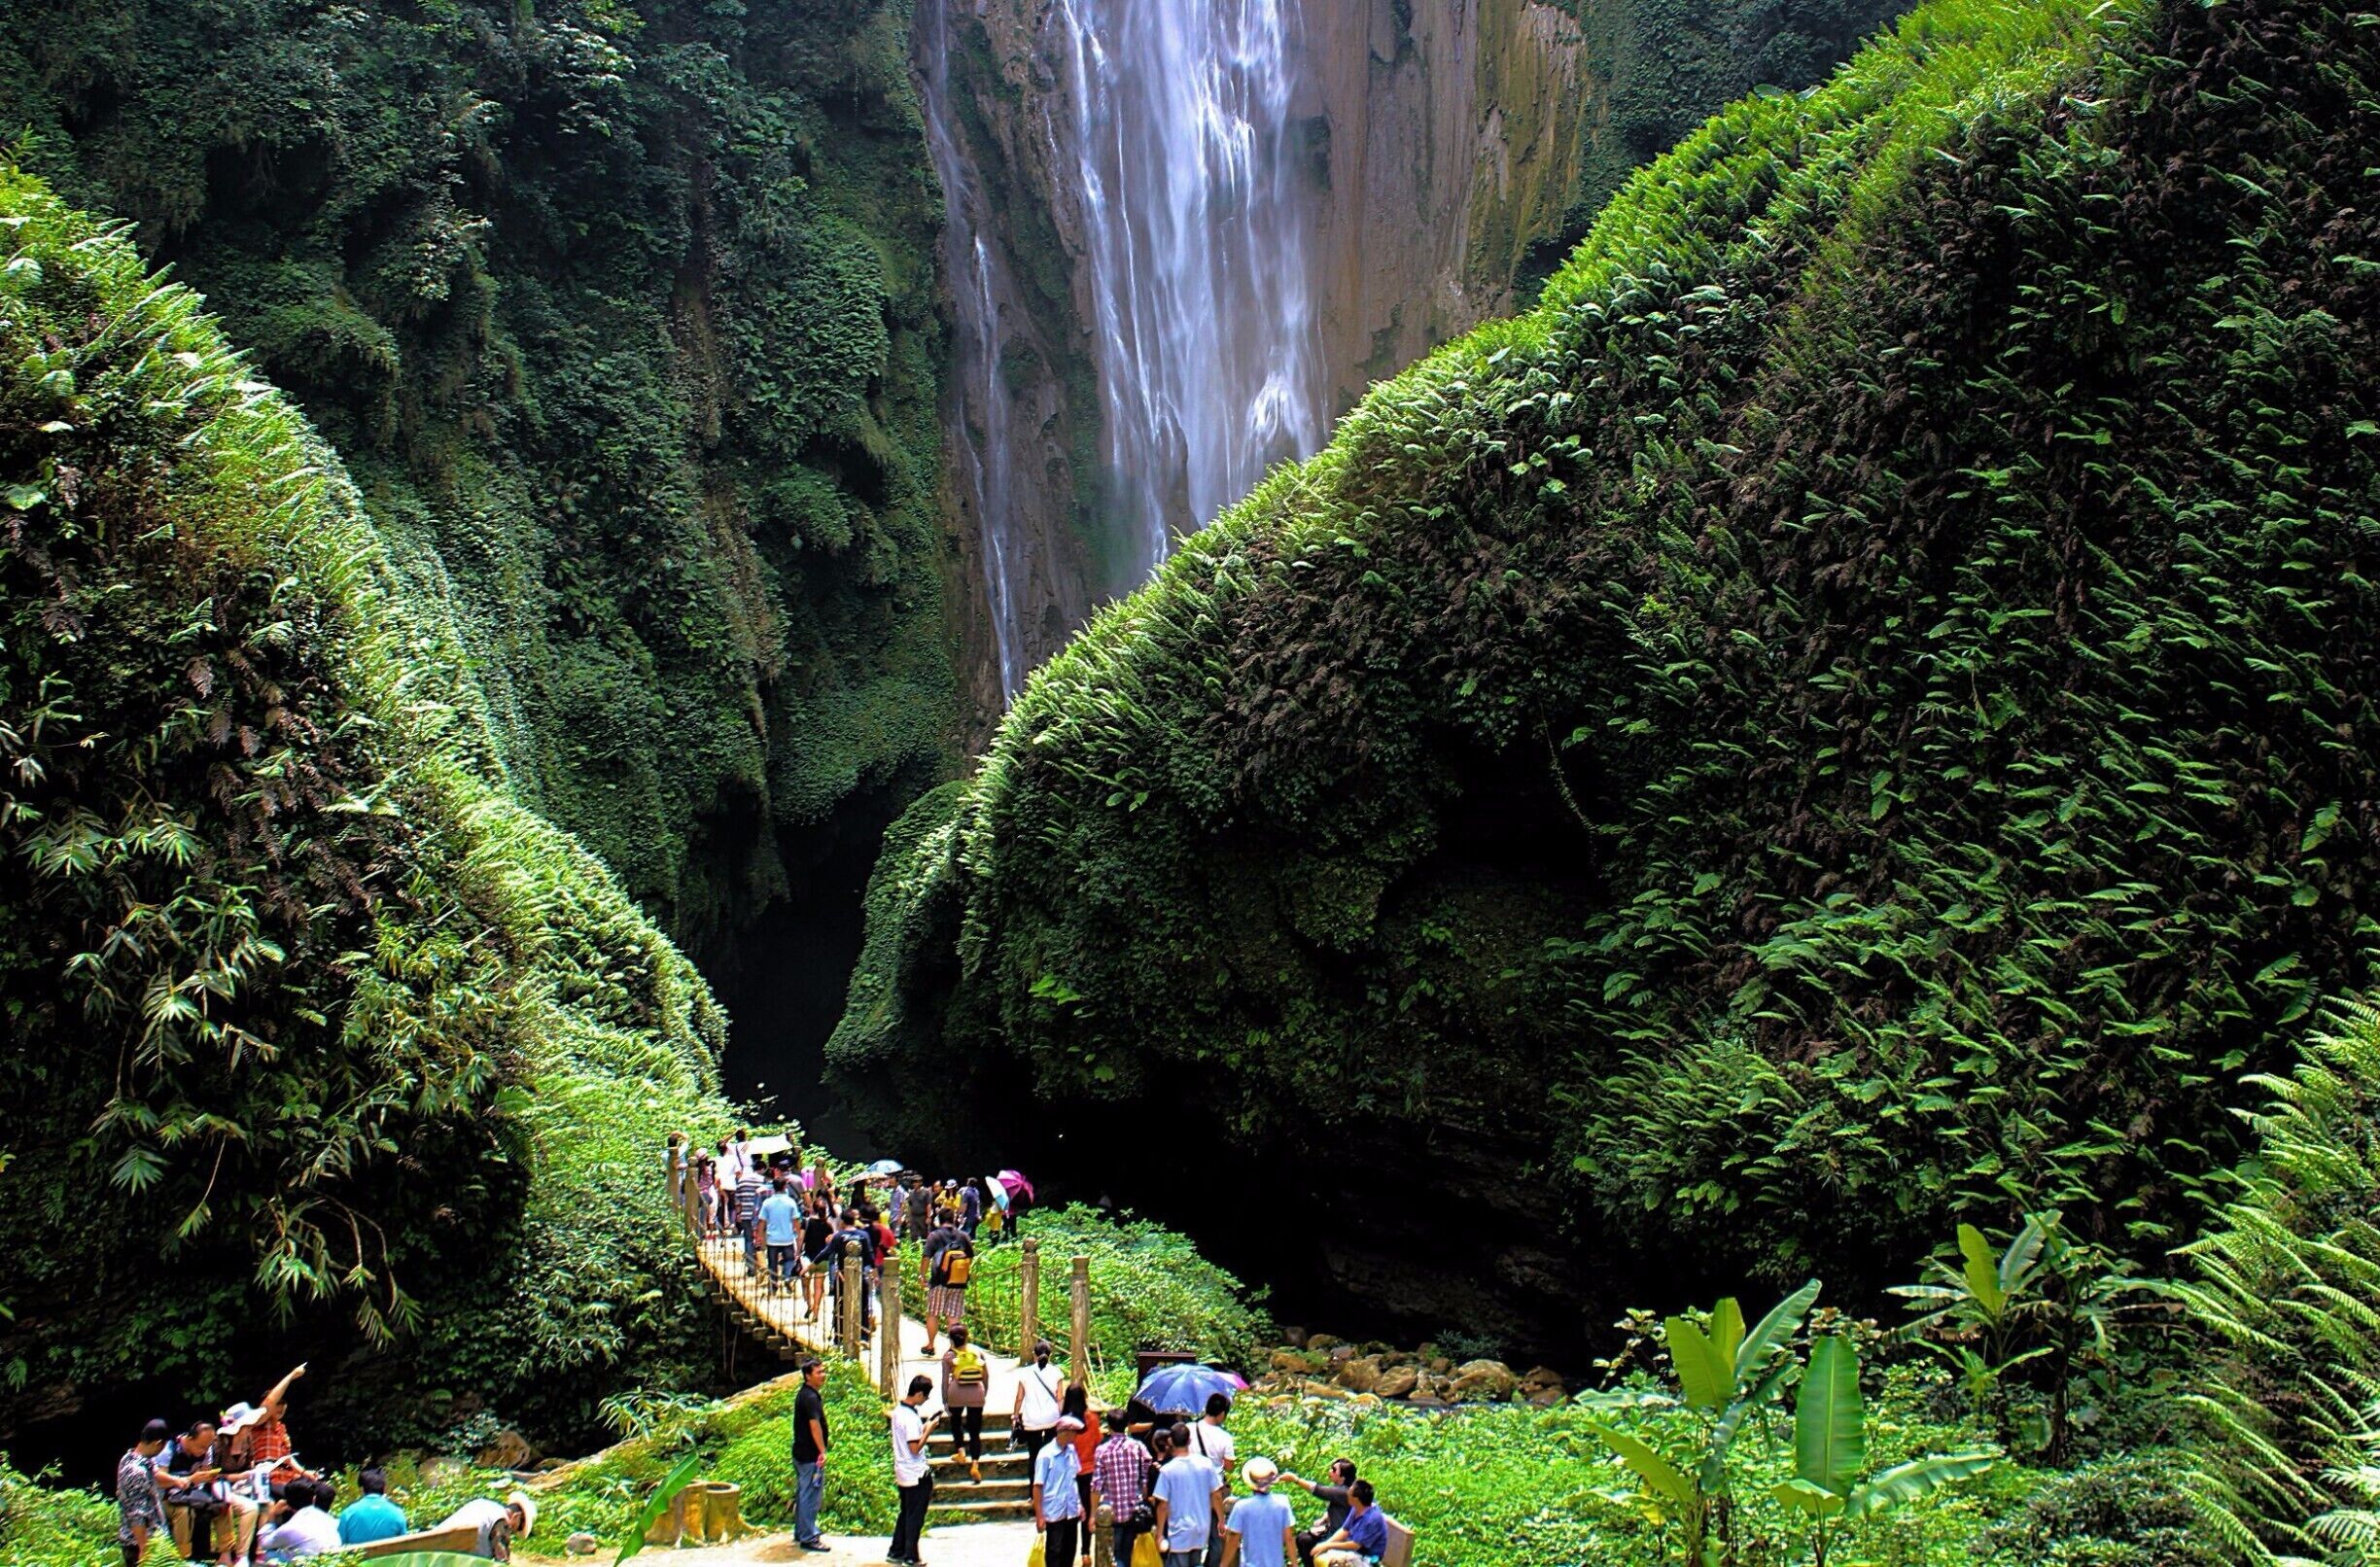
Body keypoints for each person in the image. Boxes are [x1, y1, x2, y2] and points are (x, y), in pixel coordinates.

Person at [887, 1375, 941, 1567]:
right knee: (915, 1517)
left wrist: (924, 1426)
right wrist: (929, 1429)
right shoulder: (910, 1418)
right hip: (915, 1472)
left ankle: (897, 1550)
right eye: (925, 1396)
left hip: (902, 1471)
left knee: (906, 1512)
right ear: (918, 1394)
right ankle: (911, 1556)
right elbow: (915, 1448)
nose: (925, 1400)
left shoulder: (899, 1412)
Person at [1153, 1422, 1223, 1567]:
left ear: (1170, 1441)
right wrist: (1221, 1521)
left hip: (1179, 1530)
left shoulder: (1167, 1470)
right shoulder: (1206, 1464)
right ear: (1189, 1440)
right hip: (1202, 1528)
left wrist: (1159, 1534)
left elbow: (1163, 1505)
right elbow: (1216, 1495)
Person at [1093, 1408, 1156, 1565]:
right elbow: (1147, 1472)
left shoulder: (1102, 1451)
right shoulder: (1138, 1447)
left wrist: (1093, 1514)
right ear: (1127, 1425)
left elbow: (1096, 1485)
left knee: (1114, 1554)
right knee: (1128, 1553)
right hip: (1133, 1509)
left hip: (1111, 1511)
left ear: (1109, 1426)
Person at [1188, 1393, 1238, 1566]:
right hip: (1215, 1490)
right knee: (1217, 1537)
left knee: (1192, 1536)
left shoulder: (1189, 1429)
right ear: (1222, 1413)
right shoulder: (1225, 1437)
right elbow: (1230, 1466)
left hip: (1191, 1489)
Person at [1032, 1414, 1087, 1567]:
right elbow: (1038, 1486)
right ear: (1065, 1432)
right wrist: (1039, 1515)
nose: (1076, 1436)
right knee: (1054, 1552)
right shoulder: (1046, 1455)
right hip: (1054, 1511)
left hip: (1071, 1509)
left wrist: (1079, 1504)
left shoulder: (1071, 1451)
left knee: (1069, 1550)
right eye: (1074, 1432)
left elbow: (1073, 1479)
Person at [1220, 1458, 1296, 1567]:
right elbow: (1289, 1538)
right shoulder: (1282, 1503)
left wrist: (1223, 1564)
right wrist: (1294, 1564)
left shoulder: (1242, 1507)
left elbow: (1233, 1539)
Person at [119, 1418, 173, 1567]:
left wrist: (187, 1479)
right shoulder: (136, 1472)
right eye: (163, 1446)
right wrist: (144, 1548)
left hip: (154, 1540)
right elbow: (136, 1514)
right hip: (141, 1544)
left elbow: (156, 1475)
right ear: (158, 1444)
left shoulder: (132, 1458)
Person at [939, 1325, 991, 1481]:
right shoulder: (977, 1351)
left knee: (956, 1422)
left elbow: (944, 1381)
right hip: (977, 1391)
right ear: (967, 1337)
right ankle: (975, 1464)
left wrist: (945, 1400)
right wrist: (983, 1392)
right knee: (975, 1431)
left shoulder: (948, 1356)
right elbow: (986, 1375)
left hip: (956, 1392)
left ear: (951, 1339)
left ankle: (961, 1452)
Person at [791, 1358, 831, 1553]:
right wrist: (822, 1451)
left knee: (803, 1492)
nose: (823, 1375)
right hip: (810, 1455)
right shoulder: (810, 1397)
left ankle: (802, 1530)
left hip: (801, 1452)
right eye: (819, 1372)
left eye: (823, 1371)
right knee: (811, 1495)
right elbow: (814, 1425)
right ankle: (808, 1537)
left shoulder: (806, 1394)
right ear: (808, 1376)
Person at [1282, 1459, 1356, 1565]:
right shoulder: (1346, 1490)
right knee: (1304, 1539)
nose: (1330, 1471)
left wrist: (1296, 1479)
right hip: (1334, 1531)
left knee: (1305, 1541)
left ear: (1342, 1477)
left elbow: (1317, 1489)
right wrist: (1324, 1519)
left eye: (1334, 1470)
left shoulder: (1344, 1492)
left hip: (1343, 1539)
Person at [922, 1215, 973, 1353]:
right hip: (959, 1282)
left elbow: (926, 1256)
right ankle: (954, 1347)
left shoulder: (934, 1236)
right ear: (954, 1218)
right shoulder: (963, 1236)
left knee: (933, 1313)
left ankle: (931, 1345)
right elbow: (970, 1257)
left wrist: (922, 1275)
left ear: (939, 1219)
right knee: (954, 1315)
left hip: (939, 1281)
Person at [434, 1490, 535, 1560]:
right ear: (516, 1517)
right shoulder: (502, 1522)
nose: (513, 1532)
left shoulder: (481, 1503)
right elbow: (501, 1559)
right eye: (519, 1528)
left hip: (433, 1545)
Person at [1308, 1480, 1387, 1567]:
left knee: (1328, 1562)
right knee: (1320, 1558)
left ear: (1356, 1498)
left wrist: (1328, 1546)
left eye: (1349, 1491)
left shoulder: (1372, 1519)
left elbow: (1356, 1545)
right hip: (1353, 1554)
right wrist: (1325, 1544)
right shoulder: (1357, 1507)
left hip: (1367, 1559)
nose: (1347, 1493)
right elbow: (1345, 1530)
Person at [258, 1478, 339, 1561]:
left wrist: (272, 1514)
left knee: (266, 1555)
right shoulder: (331, 1520)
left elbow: (263, 1544)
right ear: (313, 1499)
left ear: (287, 1503)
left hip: (308, 1562)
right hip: (330, 1560)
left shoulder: (292, 1526)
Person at [1062, 1384, 1100, 1559]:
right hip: (1089, 1470)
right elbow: (1097, 1442)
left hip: (1069, 1473)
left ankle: (1068, 1553)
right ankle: (1085, 1552)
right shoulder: (1092, 1419)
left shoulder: (1064, 1422)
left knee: (1070, 1515)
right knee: (1087, 1511)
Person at [1013, 1339, 1066, 1465]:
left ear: (1034, 1354)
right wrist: (1062, 1416)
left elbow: (1019, 1398)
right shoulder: (1057, 1372)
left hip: (1031, 1420)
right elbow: (1060, 1398)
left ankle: (1034, 1483)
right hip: (1052, 1418)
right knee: (1051, 1454)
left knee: (1034, 1455)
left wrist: (1015, 1416)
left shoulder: (1024, 1372)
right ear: (1050, 1355)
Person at [336, 1470, 407, 1547]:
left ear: (362, 1489)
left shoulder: (348, 1513)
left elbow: (341, 1543)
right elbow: (404, 1543)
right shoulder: (397, 1512)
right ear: (384, 1489)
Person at [761, 1176, 805, 1294]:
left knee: (772, 1263)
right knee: (789, 1260)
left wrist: (759, 1236)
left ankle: (773, 1285)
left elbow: (762, 1221)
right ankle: (787, 1277)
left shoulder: (767, 1202)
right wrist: (799, 1233)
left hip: (772, 1239)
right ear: (785, 1187)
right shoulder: (790, 1202)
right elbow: (796, 1220)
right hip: (787, 1238)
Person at [735, 1161, 770, 1278]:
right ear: (762, 1169)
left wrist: (738, 1213)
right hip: (760, 1215)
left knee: (748, 1240)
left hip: (745, 1214)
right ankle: (763, 1266)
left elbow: (737, 1199)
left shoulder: (742, 1180)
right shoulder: (763, 1180)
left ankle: (750, 1268)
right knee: (761, 1240)